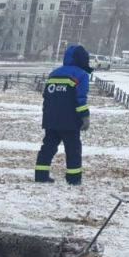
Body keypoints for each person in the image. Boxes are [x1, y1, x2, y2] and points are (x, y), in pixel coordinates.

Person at [35, 44, 92, 186]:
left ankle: (41, 176)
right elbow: (80, 98)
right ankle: (73, 179)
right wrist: (85, 117)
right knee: (73, 149)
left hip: (51, 119)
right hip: (70, 121)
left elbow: (46, 96)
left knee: (47, 148)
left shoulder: (54, 73)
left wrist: (47, 116)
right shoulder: (81, 75)